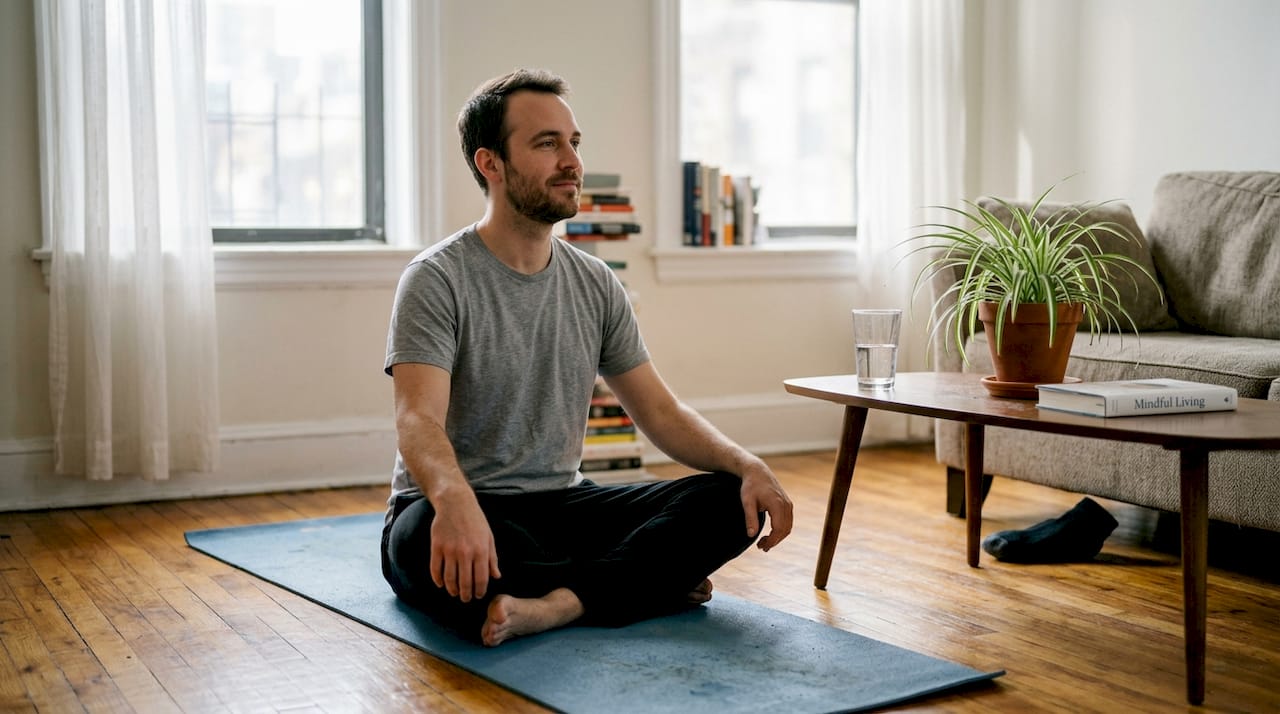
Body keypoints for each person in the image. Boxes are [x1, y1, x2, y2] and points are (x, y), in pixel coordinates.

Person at [380, 68, 794, 647]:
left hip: (566, 508)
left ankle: (560, 605)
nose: (571, 161)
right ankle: (637, 582)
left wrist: (746, 463)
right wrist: (454, 501)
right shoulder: (436, 278)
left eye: (573, 143)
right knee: (424, 542)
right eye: (546, 144)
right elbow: (416, 419)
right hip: (458, 509)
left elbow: (660, 413)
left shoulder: (596, 283)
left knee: (727, 501)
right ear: (490, 164)